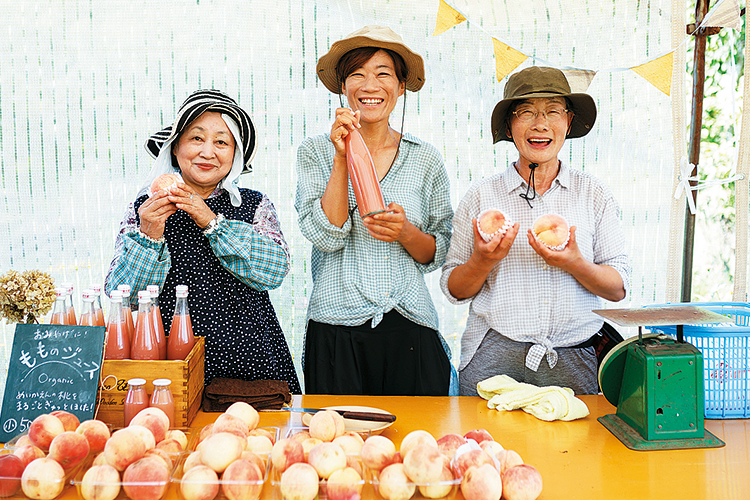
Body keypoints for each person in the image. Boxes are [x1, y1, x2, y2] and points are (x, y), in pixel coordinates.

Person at [441, 66, 630, 396]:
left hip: (575, 358)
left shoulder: (592, 194)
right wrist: (483, 260)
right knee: (488, 448)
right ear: (510, 125)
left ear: (569, 121)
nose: (540, 124)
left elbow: (618, 289)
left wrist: (574, 262)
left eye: (553, 111)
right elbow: (453, 289)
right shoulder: (482, 196)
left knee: (574, 448)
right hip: (494, 355)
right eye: (525, 112)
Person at [105, 89, 301, 393]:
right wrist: (149, 234)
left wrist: (211, 221)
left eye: (221, 142)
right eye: (197, 138)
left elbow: (274, 271)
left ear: (234, 155)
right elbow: (124, 296)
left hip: (249, 357)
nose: (208, 152)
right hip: (170, 356)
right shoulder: (145, 208)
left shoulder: (253, 204)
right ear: (174, 148)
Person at [295, 25, 454, 395]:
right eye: (358, 74)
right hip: (335, 324)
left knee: (415, 446)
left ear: (400, 87)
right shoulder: (315, 152)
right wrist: (340, 156)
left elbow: (438, 251)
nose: (370, 85)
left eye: (383, 74)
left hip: (409, 322)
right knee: (338, 447)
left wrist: (405, 232)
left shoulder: (424, 158)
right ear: (342, 87)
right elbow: (326, 235)